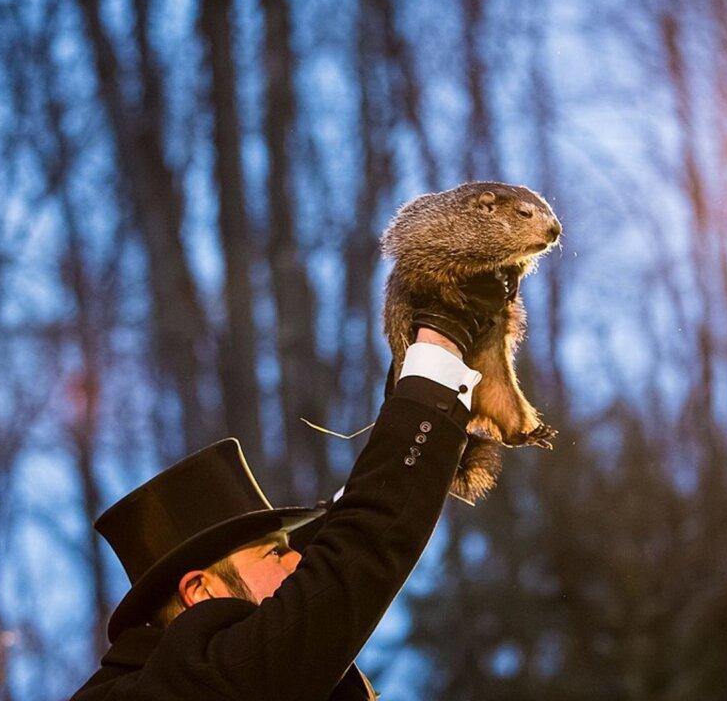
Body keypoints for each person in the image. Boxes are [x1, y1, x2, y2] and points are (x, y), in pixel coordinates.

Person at [70, 273, 514, 701]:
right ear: (201, 593)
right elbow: (347, 570)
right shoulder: (194, 684)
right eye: (275, 552)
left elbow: (336, 546)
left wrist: (418, 422)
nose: (298, 558)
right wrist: (439, 350)